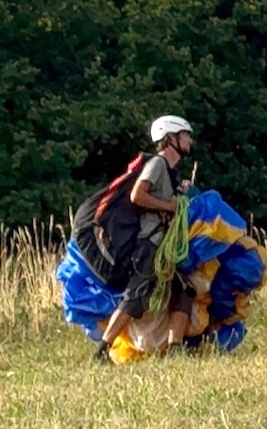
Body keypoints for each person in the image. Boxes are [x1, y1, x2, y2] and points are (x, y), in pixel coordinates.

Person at [94, 115, 196, 361]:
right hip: (149, 244)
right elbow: (137, 195)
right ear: (170, 139)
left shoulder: (170, 171)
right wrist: (169, 206)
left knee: (185, 291)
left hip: (163, 246)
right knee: (136, 296)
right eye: (185, 135)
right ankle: (102, 349)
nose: (189, 140)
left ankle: (175, 349)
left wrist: (180, 193)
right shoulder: (157, 165)